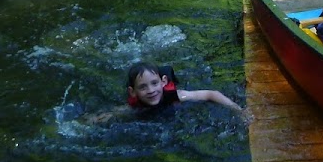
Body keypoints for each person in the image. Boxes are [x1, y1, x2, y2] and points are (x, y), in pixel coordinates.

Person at [85, 62, 252, 123]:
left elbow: (211, 94)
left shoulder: (177, 95)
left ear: (163, 82)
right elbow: (109, 114)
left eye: (154, 84)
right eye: (143, 87)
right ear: (133, 92)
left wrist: (239, 110)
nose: (151, 91)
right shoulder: (132, 106)